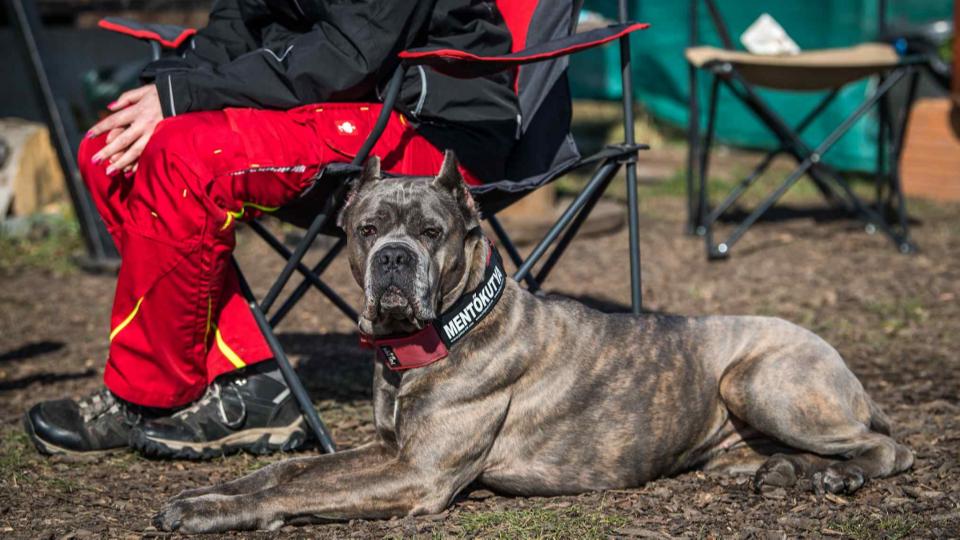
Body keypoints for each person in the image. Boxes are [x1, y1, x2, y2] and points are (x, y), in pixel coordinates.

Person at [24, 0, 518, 459]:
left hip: (431, 124)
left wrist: (188, 96)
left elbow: (350, 53)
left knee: (187, 159)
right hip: (337, 98)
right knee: (110, 153)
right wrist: (165, 88)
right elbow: (237, 24)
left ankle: (150, 398)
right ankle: (251, 380)